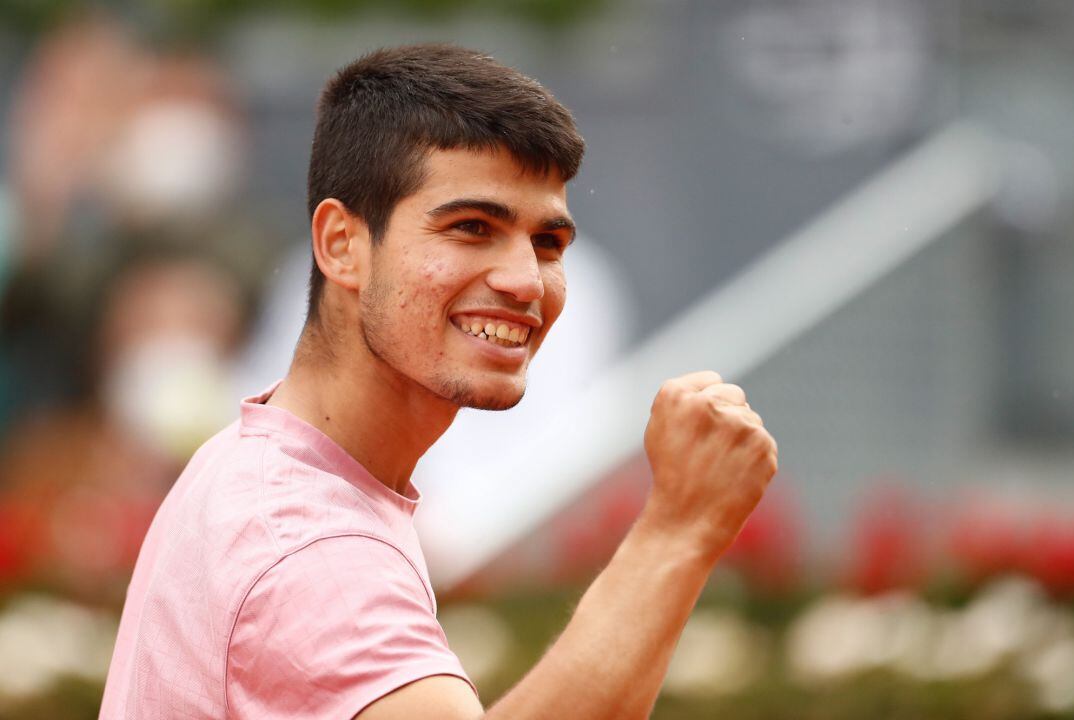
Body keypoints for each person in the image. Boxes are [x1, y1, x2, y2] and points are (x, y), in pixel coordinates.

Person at [99, 43, 778, 719]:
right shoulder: (308, 547)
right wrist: (677, 532)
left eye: (548, 243)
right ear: (341, 244)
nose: (523, 280)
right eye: (472, 227)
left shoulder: (266, 469)